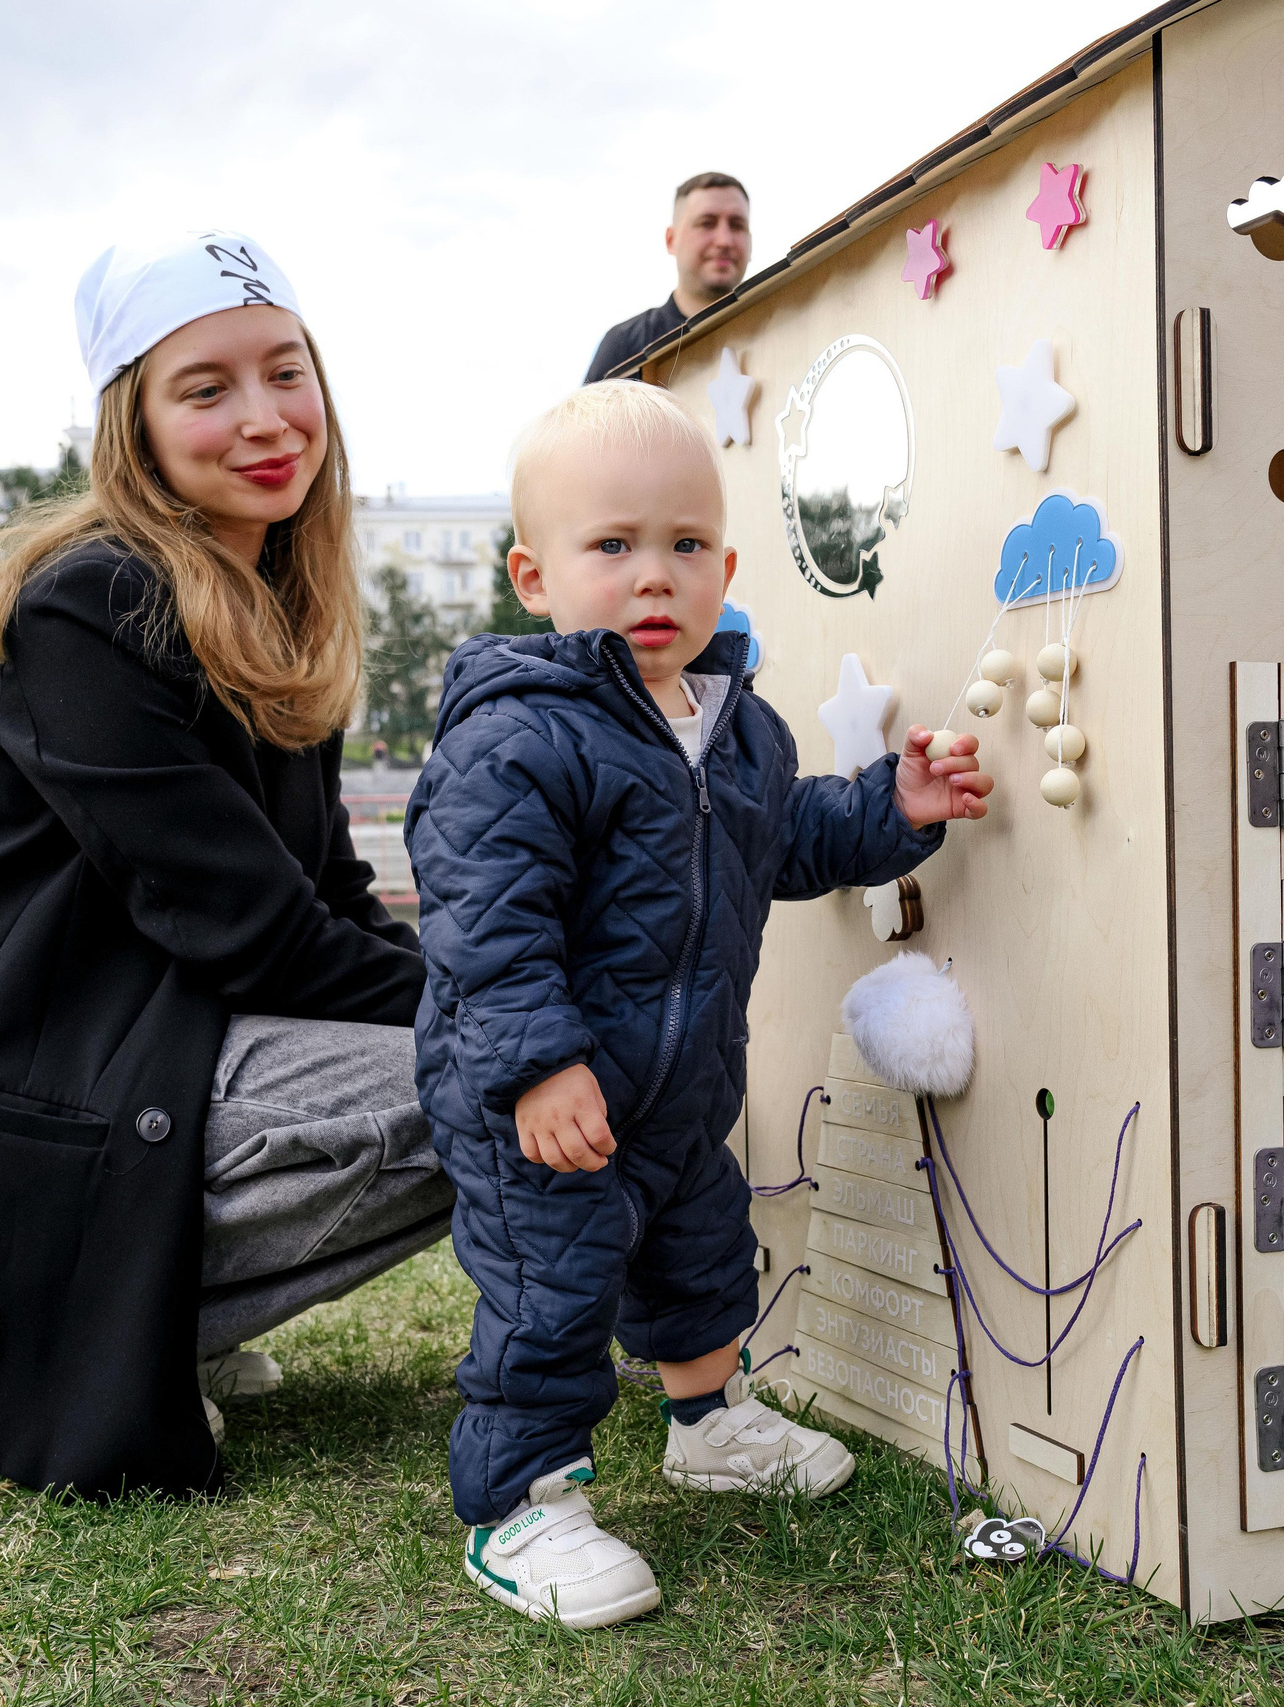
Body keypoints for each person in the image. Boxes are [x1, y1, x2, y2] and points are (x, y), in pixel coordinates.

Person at [0, 231, 453, 1498]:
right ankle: (96, 1324)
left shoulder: (273, 604)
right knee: (485, 1081)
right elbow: (257, 938)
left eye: (285, 372)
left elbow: (326, 899)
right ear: (136, 429)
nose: (266, 419)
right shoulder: (88, 605)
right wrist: (508, 1016)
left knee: (500, 1049)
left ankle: (164, 1313)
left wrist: (476, 981)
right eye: (205, 390)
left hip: (133, 1028)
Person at [406, 382, 992, 1627]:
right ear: (533, 574)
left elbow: (789, 838)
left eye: (682, 546)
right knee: (550, 1289)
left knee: (700, 1251)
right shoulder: (519, 737)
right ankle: (521, 1504)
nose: (652, 574)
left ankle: (709, 1419)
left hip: (679, 1090)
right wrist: (536, 1066)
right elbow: (483, 920)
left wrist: (898, 809)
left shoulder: (740, 732)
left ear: (725, 565)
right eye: (611, 546)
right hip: (541, 1097)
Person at [581, 172, 752, 383]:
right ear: (671, 240)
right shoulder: (627, 347)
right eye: (707, 223)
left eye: (737, 225)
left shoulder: (776, 328)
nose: (724, 240)